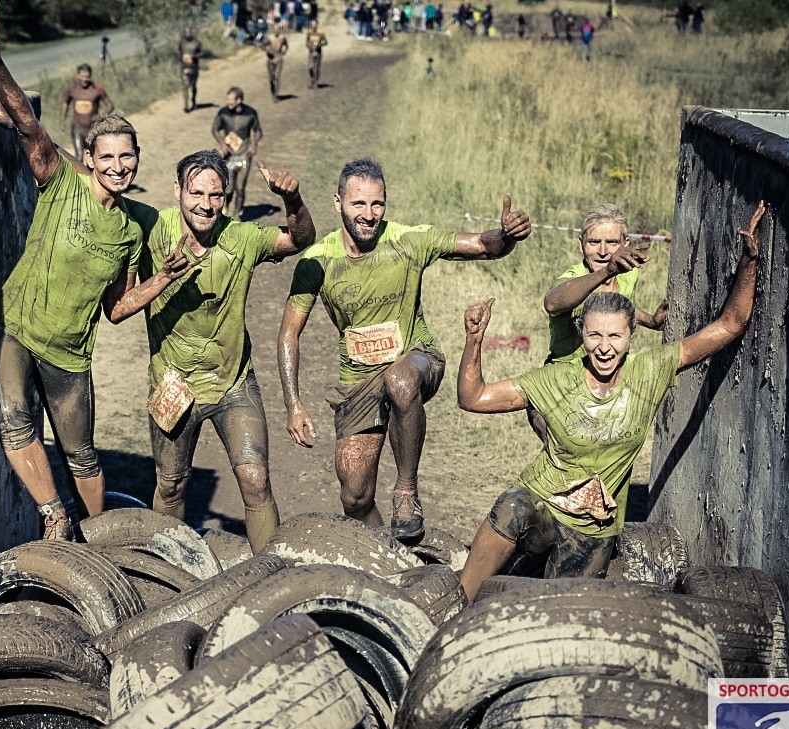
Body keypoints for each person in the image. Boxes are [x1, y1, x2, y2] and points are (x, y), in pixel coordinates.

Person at [454, 202, 766, 601]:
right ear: (581, 335)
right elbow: (473, 397)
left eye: (615, 337)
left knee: (559, 608)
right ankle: (459, 602)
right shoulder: (557, 378)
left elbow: (730, 323)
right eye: (594, 337)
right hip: (544, 503)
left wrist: (749, 260)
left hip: (594, 527)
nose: (604, 348)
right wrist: (474, 340)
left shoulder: (648, 371)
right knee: (513, 506)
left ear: (632, 336)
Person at [0, 5, 192, 540]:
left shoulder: (135, 227)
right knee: (17, 424)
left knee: (83, 457)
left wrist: (161, 280)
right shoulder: (59, 180)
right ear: (90, 157)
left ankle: (101, 542)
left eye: (127, 158)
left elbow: (115, 310)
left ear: (137, 160)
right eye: (107, 157)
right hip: (14, 326)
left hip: (70, 354)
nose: (118, 166)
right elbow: (26, 122)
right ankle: (54, 515)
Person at [278, 159, 532, 535]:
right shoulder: (317, 261)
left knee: (399, 380)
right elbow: (288, 334)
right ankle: (391, 557)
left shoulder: (407, 240)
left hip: (416, 358)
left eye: (377, 204)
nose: (369, 215)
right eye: (358, 204)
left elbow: (482, 245)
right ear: (337, 203)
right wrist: (293, 405)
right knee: (355, 497)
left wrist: (506, 235)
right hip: (359, 380)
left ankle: (406, 491)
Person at [138, 150, 315, 551]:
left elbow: (301, 239)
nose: (205, 204)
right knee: (171, 485)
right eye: (195, 192)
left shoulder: (241, 237)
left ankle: (272, 577)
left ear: (226, 195)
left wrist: (293, 199)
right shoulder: (152, 227)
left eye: (215, 195)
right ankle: (166, 570)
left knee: (256, 480)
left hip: (233, 383)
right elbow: (98, 184)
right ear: (178, 190)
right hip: (173, 386)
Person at [530, 204, 668, 439]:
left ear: (625, 243)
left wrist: (651, 321)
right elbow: (553, 303)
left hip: (610, 379)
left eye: (612, 243)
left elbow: (620, 303)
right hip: (565, 381)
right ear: (581, 243)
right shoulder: (574, 279)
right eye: (594, 242)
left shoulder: (629, 273)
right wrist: (607, 272)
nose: (603, 252)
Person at [211, 87, 262, 218]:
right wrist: (222, 143)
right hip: (229, 155)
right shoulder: (223, 113)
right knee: (228, 189)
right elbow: (215, 129)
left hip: (245, 154)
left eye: (230, 100)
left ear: (239, 100)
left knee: (240, 187)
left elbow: (257, 131)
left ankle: (237, 214)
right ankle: (226, 204)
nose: (227, 102)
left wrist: (254, 143)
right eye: (227, 99)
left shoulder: (251, 113)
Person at [61, 64, 114, 162]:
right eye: (82, 76)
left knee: (93, 158)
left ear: (90, 76)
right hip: (77, 128)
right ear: (78, 75)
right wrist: (63, 120)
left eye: (87, 77)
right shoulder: (72, 89)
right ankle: (79, 177)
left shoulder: (97, 89)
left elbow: (110, 105)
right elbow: (65, 103)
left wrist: (102, 117)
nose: (85, 79)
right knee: (79, 157)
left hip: (93, 129)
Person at [179, 26, 205, 113]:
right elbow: (179, 52)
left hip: (194, 67)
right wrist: (182, 58)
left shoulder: (196, 43)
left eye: (189, 32)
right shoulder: (181, 43)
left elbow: (202, 53)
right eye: (186, 32)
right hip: (184, 68)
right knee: (185, 86)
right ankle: (186, 106)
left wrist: (194, 56)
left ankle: (193, 101)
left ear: (191, 32)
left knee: (193, 86)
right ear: (184, 33)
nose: (188, 33)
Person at [265, 28, 289, 101]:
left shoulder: (282, 38)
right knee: (271, 79)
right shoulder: (269, 37)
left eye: (277, 29)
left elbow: (286, 46)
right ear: (272, 30)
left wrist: (284, 51)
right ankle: (273, 93)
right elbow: (264, 46)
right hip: (270, 60)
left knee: (277, 76)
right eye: (275, 29)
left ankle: (275, 95)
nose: (276, 30)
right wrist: (267, 50)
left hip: (279, 59)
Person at [305, 19, 328, 89]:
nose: (313, 26)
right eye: (312, 24)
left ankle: (315, 82)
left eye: (314, 24)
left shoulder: (321, 33)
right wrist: (310, 46)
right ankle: (312, 80)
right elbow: (306, 42)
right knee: (310, 68)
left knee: (316, 68)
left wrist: (318, 44)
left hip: (318, 52)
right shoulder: (309, 32)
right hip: (311, 53)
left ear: (317, 25)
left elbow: (325, 42)